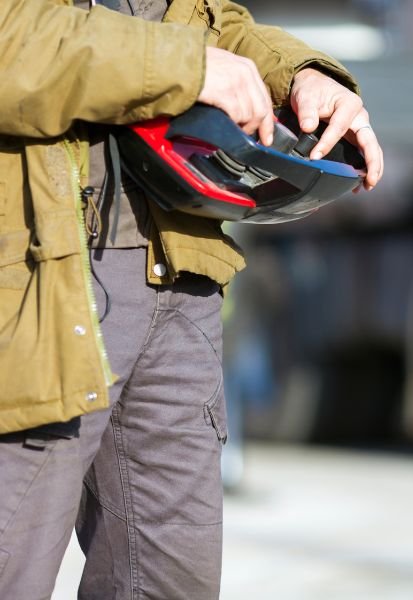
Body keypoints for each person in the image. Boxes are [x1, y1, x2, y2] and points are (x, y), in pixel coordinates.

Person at [0, 1, 383, 598]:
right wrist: (187, 68)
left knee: (173, 581)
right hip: (31, 284)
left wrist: (297, 77)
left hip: (176, 278)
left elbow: (201, 18)